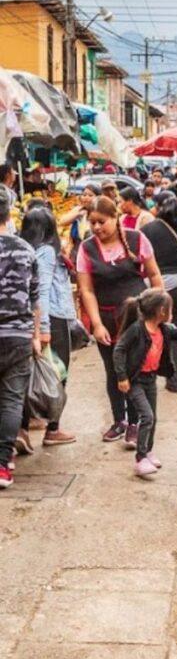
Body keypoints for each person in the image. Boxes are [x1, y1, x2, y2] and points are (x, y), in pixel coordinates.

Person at [77, 197, 164, 445]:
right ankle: (119, 421)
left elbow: (155, 275)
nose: (96, 228)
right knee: (113, 370)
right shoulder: (87, 248)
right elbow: (87, 291)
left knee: (136, 370)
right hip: (106, 318)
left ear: (115, 218)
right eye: (92, 223)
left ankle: (136, 423)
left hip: (137, 320)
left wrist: (158, 312)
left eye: (101, 222)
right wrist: (96, 324)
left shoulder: (137, 239)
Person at [114, 290, 177, 479]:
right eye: (170, 309)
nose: (172, 313)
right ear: (162, 310)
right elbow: (119, 349)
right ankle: (140, 459)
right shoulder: (137, 330)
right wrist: (122, 376)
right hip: (135, 381)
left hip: (150, 380)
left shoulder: (165, 329)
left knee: (153, 418)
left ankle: (148, 452)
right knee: (147, 417)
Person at [19, 206, 77, 447]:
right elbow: (40, 291)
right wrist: (42, 328)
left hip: (31, 318)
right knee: (58, 372)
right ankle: (52, 427)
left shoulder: (23, 249)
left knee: (27, 375)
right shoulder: (46, 252)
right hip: (51, 317)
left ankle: (22, 428)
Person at [0, 192, 40, 488]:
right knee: (12, 400)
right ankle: (3, 466)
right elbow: (35, 298)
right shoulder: (26, 249)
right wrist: (36, 335)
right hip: (18, 334)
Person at [141, 196, 177, 392]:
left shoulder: (148, 231)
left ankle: (148, 372)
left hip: (156, 285)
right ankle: (174, 378)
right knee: (176, 327)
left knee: (150, 328)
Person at [0, 163, 17, 234]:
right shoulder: (2, 191)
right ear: (8, 175)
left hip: (9, 225)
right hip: (4, 226)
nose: (15, 174)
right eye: (13, 172)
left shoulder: (7, 190)